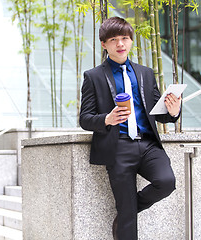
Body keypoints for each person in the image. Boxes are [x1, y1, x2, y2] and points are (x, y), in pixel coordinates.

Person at [79, 17, 181, 240]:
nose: (120, 44)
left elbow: (159, 112)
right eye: (113, 39)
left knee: (166, 182)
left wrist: (173, 111)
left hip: (147, 144)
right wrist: (107, 118)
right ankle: (127, 213)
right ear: (104, 44)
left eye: (125, 38)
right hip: (118, 148)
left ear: (131, 41)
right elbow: (85, 119)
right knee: (127, 219)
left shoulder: (145, 73)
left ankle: (129, 209)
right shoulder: (93, 76)